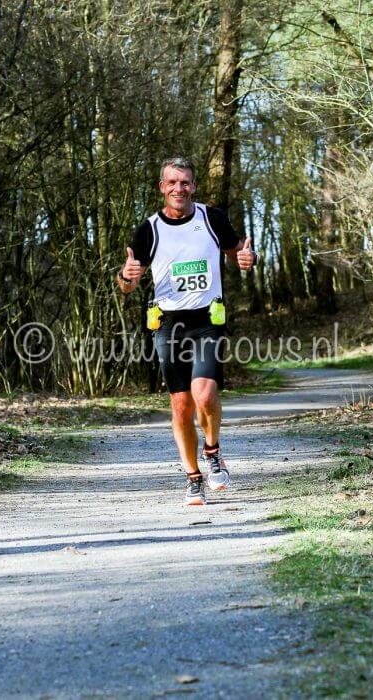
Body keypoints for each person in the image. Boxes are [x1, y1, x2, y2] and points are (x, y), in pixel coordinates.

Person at [116, 156, 256, 505]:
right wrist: (126, 277)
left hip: (208, 319)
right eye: (172, 183)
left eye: (185, 182)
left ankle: (213, 451)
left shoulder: (212, 218)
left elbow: (236, 251)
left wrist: (244, 259)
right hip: (168, 323)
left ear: (193, 186)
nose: (179, 188)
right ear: (162, 187)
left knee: (204, 394)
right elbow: (127, 284)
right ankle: (193, 477)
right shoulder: (149, 229)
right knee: (180, 405)